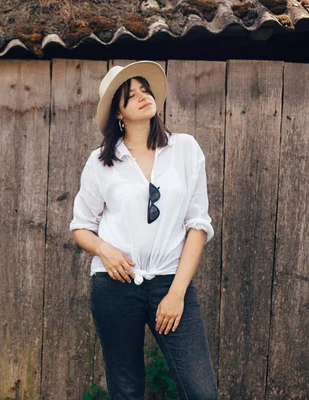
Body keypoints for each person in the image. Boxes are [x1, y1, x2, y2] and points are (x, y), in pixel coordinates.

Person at [69, 61, 219, 400]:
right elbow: (81, 227)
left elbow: (198, 224)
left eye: (144, 89)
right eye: (130, 94)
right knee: (127, 390)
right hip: (115, 286)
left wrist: (177, 294)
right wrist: (105, 250)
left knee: (201, 391)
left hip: (171, 282)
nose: (142, 96)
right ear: (118, 113)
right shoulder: (101, 163)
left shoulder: (184, 149)